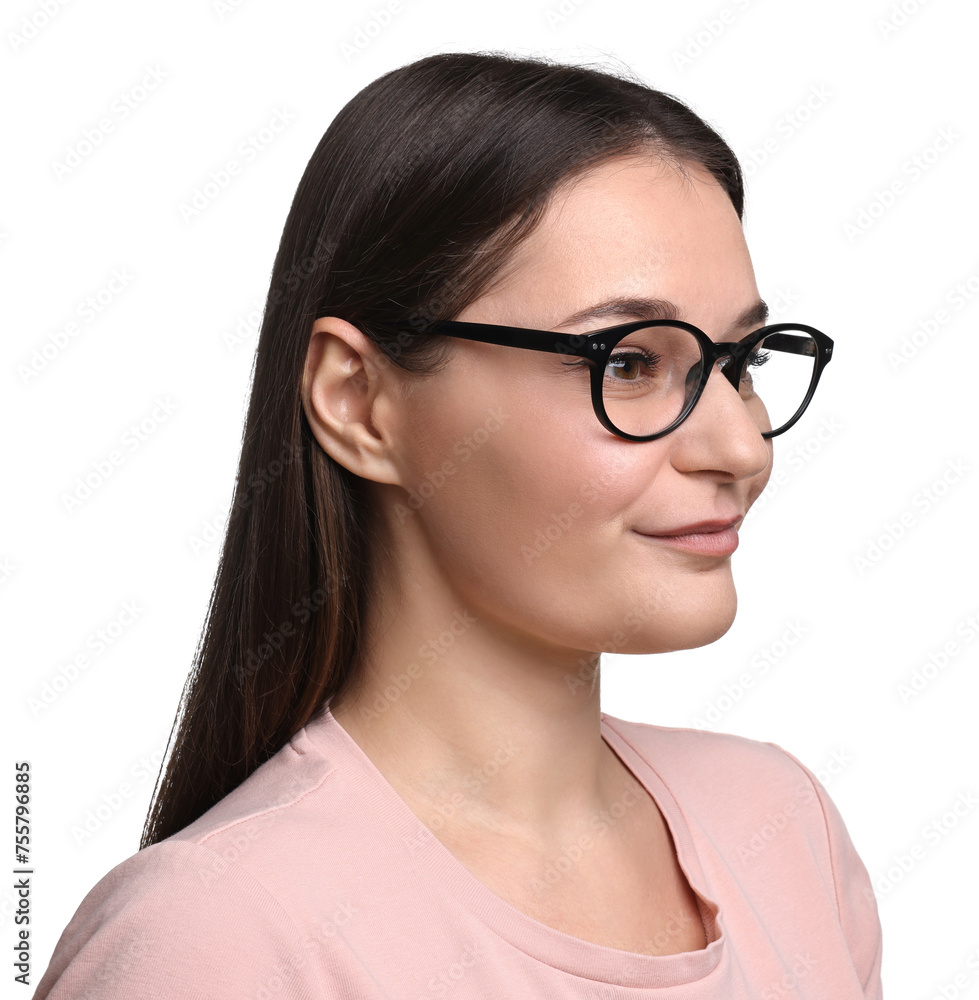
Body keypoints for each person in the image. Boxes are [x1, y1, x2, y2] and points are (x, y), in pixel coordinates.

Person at [33, 50, 882, 998]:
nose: (742, 445)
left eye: (738, 362)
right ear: (358, 401)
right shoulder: (217, 940)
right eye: (630, 361)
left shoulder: (783, 829)